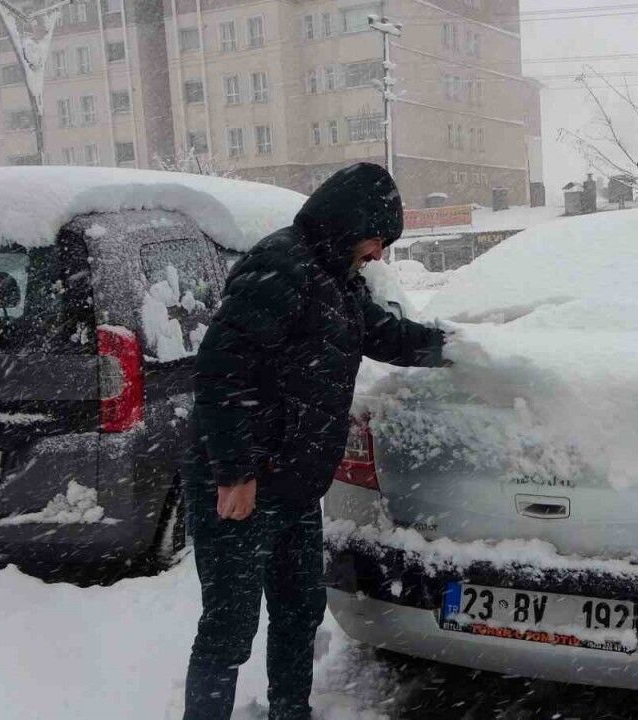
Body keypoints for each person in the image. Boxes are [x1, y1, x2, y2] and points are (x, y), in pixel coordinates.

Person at [183, 163, 447, 720]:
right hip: (244, 485)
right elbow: (219, 371)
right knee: (229, 628)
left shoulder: (336, 277)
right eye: (379, 240)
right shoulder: (281, 267)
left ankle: (289, 711)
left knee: (299, 610)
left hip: (295, 484)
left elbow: (382, 333)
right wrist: (234, 473)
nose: (378, 254)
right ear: (354, 224)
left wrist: (456, 349)